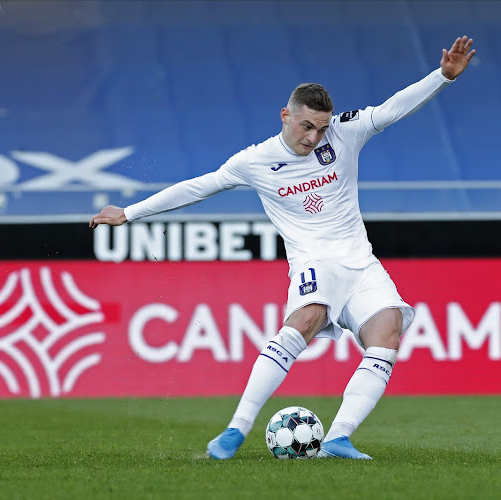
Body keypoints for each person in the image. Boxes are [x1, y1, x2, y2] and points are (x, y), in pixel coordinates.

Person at [90, 36, 475, 460]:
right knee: (307, 318)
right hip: (314, 262)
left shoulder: (344, 134)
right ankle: (236, 428)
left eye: (321, 128)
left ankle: (338, 437)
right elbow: (198, 187)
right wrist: (130, 213)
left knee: (387, 333)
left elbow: (392, 108)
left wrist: (442, 77)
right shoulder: (255, 161)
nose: (314, 137)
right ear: (285, 115)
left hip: (362, 264)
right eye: (306, 126)